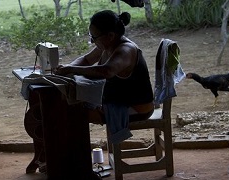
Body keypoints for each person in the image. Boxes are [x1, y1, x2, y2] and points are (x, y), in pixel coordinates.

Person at [54, 10, 154, 143]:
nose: (92, 40)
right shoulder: (107, 45)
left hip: (136, 108)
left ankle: (77, 157)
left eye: (94, 37)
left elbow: (107, 71)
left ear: (110, 35)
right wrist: (67, 69)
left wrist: (72, 69)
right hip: (118, 102)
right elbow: (86, 60)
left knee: (75, 112)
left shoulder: (125, 50)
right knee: (70, 103)